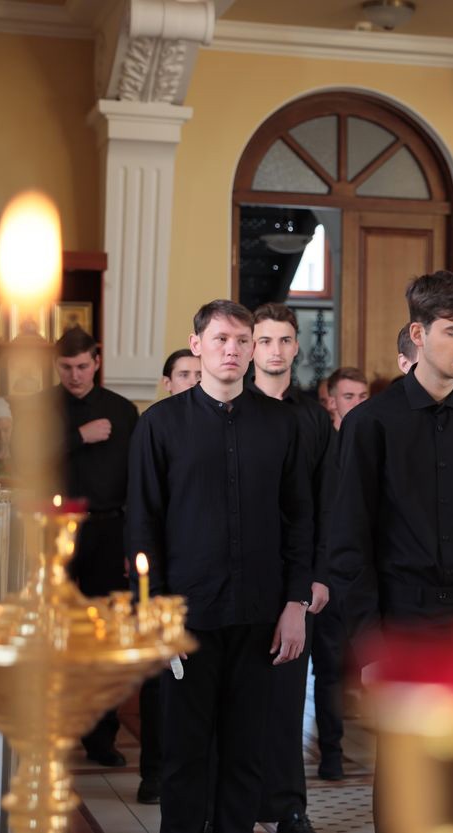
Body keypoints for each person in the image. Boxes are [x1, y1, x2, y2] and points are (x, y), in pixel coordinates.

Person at [126, 300, 313, 833]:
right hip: (186, 615)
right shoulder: (160, 425)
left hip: (260, 615)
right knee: (184, 756)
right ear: (197, 346)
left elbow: (300, 518)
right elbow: (142, 525)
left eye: (241, 341)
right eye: (221, 340)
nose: (232, 350)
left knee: (246, 754)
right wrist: (153, 610)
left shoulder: (283, 423)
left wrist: (296, 603)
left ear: (252, 349)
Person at [329, 270, 453, 632]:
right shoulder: (369, 423)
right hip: (400, 621)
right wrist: (368, 641)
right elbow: (350, 540)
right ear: (418, 334)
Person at [251, 303, 338, 831]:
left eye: (285, 340)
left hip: (297, 572)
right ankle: (232, 805)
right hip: (241, 573)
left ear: (297, 346)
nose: (276, 350)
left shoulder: (313, 417)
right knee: (237, 701)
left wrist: (318, 576)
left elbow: (328, 501)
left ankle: (287, 807)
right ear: (251, 347)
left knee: (286, 698)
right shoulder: (233, 406)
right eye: (265, 340)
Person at [54, 326, 140, 767]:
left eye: (82, 366)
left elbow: (138, 481)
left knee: (104, 636)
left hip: (109, 532)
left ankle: (101, 738)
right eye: (66, 367)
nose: (75, 375)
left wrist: (132, 543)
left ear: (97, 362)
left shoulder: (122, 410)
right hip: (54, 534)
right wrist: (78, 437)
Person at [134, 349, 204, 807]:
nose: (193, 380)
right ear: (167, 382)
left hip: (205, 577)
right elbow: (144, 506)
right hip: (162, 569)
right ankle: (155, 770)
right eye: (184, 374)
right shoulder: (157, 425)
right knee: (159, 675)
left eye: (197, 373)